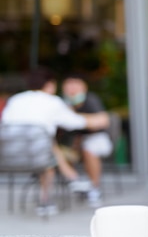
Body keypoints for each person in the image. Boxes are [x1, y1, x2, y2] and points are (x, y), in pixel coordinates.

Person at [1, 68, 110, 216]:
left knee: (47, 145)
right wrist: (98, 120)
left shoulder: (15, 100)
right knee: (46, 149)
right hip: (39, 157)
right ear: (50, 84)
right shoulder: (52, 102)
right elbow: (75, 122)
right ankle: (51, 196)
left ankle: (70, 180)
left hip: (9, 156)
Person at [59, 74, 114, 208]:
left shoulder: (90, 100)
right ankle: (76, 183)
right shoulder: (61, 104)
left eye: (75, 84)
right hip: (72, 143)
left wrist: (75, 118)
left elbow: (103, 120)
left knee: (90, 148)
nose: (71, 88)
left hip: (96, 139)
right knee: (60, 153)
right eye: (68, 84)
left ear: (83, 87)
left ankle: (94, 188)